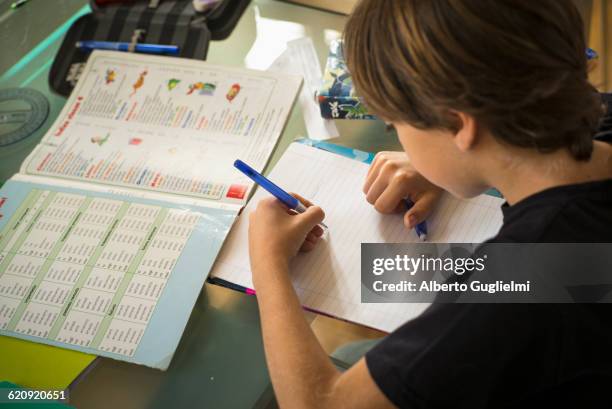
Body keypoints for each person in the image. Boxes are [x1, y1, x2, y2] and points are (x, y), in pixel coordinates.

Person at [246, 1, 612, 408]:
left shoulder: (525, 279)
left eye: (395, 125)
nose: (399, 141)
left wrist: (267, 264)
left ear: (458, 125)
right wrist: (462, 163)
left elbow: (322, 403)